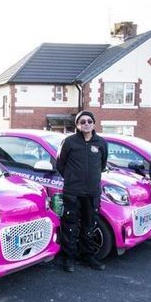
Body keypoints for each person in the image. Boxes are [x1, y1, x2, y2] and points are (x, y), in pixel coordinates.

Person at [56, 110, 108, 272]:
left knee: (90, 225)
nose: (86, 124)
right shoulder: (69, 142)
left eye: (89, 121)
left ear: (93, 124)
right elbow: (60, 164)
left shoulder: (101, 143)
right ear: (77, 125)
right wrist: (73, 179)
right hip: (73, 192)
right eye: (82, 121)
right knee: (70, 226)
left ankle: (88, 256)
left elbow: (103, 164)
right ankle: (68, 258)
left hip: (92, 192)